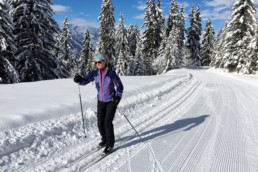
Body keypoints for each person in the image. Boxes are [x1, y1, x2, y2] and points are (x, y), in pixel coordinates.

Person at [74, 54, 123, 154]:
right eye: (96, 62)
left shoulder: (110, 73)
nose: (97, 64)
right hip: (100, 101)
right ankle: (105, 140)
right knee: (100, 123)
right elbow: (84, 81)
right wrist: (79, 79)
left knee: (107, 122)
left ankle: (110, 144)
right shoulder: (95, 73)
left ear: (105, 62)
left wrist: (118, 96)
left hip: (111, 101)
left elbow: (119, 85)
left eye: (99, 62)